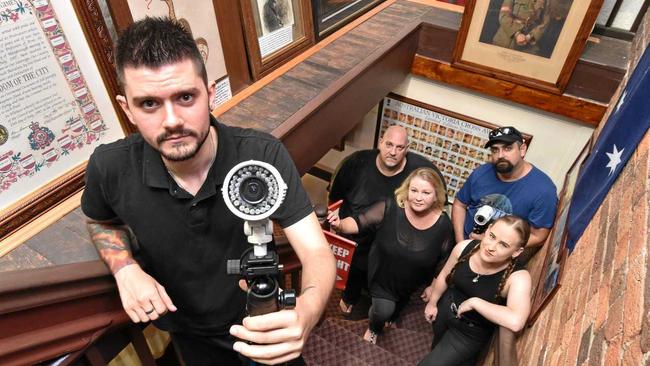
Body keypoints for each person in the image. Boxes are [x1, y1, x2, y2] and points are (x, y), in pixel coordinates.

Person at [81, 18, 335, 366]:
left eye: (186, 97)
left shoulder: (261, 155)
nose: (172, 120)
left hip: (264, 320)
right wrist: (125, 268)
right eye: (149, 104)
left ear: (210, 93)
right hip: (189, 336)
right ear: (127, 108)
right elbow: (99, 221)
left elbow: (316, 251)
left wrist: (306, 311)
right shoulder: (109, 167)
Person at [452, 126, 556, 366]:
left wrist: (503, 245)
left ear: (522, 149)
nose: (500, 155)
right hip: (464, 249)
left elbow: (540, 235)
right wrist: (462, 243)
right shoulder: (481, 173)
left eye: (508, 148)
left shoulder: (543, 190)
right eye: (495, 150)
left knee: (475, 314)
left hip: (496, 263)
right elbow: (459, 203)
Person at [328, 125, 445, 316]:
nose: (393, 152)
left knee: (388, 293)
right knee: (354, 277)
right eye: (389, 144)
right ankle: (350, 297)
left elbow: (436, 206)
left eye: (399, 147)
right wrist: (336, 225)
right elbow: (336, 198)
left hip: (391, 245)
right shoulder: (357, 162)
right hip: (356, 239)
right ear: (380, 142)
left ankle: (384, 312)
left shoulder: (421, 171)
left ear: (407, 149)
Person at [328, 168, 454, 344]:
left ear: (436, 196)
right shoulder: (390, 206)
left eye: (426, 192)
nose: (418, 197)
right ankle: (374, 328)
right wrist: (340, 224)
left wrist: (433, 285)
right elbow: (359, 222)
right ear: (407, 189)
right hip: (382, 273)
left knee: (398, 306)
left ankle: (393, 311)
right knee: (382, 310)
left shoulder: (444, 224)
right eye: (414, 190)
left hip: (410, 283)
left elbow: (444, 258)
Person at [418, 215, 532, 366]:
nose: (491, 247)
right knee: (436, 348)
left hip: (469, 333)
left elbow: (516, 321)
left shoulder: (518, 278)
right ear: (488, 230)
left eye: (503, 245)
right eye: (492, 236)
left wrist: (475, 303)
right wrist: (432, 303)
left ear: (516, 252)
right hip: (444, 311)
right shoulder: (464, 248)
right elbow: (445, 274)